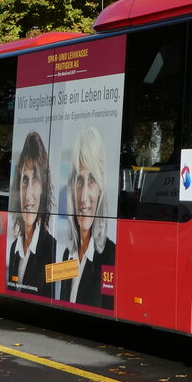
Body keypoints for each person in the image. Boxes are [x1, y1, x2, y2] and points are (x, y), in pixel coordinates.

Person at [54, 126, 115, 309]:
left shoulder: (111, 255)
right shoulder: (68, 254)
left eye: (92, 180)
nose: (84, 196)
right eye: (79, 181)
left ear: (101, 188)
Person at [7, 131, 56, 295]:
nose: (28, 195)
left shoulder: (52, 249)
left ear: (43, 187)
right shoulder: (15, 248)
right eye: (24, 180)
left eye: (35, 180)